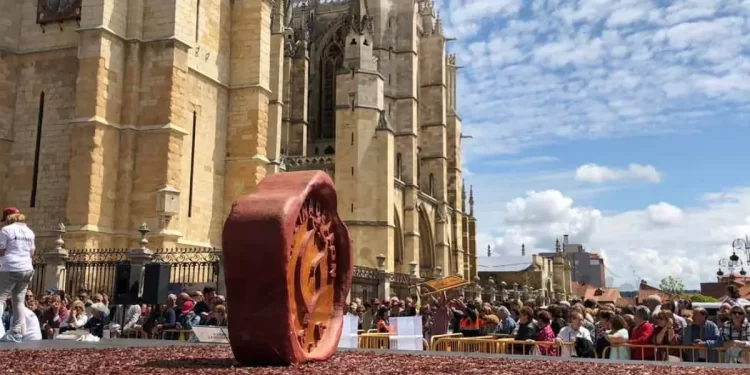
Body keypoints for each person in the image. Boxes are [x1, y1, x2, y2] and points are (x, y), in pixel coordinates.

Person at [0, 207, 36, 342]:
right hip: (27, 269)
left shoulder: (6, 230)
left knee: (0, 299)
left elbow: (2, 250)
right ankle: (18, 332)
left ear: (9, 218)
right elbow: (32, 253)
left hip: (10, 267)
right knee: (19, 301)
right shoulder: (30, 232)